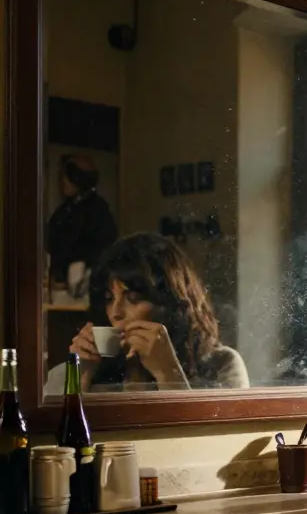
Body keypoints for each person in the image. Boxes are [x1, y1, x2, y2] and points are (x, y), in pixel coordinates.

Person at [44, 232, 248, 394]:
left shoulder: (222, 365)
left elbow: (213, 443)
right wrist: (79, 378)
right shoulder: (82, 369)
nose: (115, 313)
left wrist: (168, 373)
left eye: (133, 298)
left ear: (169, 302)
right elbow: (51, 440)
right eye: (109, 298)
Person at [46, 154, 118, 293]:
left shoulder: (98, 209)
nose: (63, 182)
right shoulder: (64, 210)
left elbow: (104, 246)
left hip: (84, 287)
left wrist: (84, 266)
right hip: (59, 285)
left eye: (67, 177)